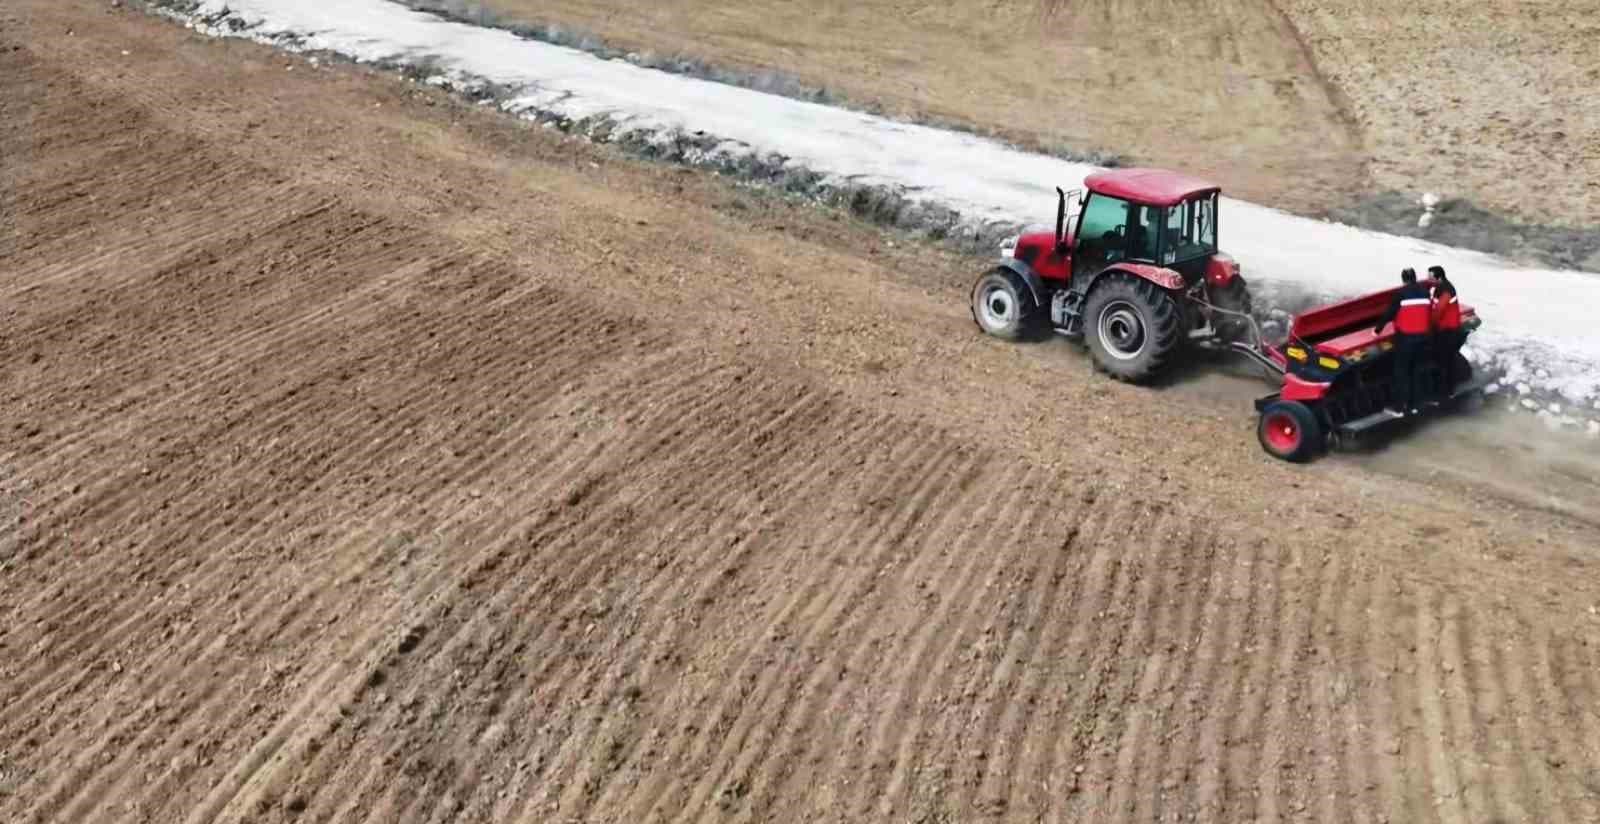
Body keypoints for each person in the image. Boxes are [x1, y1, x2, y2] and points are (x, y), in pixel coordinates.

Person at [1373, 267, 1434, 414]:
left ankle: (1399, 408)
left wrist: (1377, 330)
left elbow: (1390, 313)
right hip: (1422, 338)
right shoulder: (1425, 293)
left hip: (1406, 339)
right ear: (1415, 278)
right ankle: (1414, 405)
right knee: (1415, 371)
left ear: (1404, 280)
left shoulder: (1401, 294)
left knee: (1401, 373)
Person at [1429, 265, 1465, 386]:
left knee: (1445, 361)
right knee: (1446, 360)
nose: (1429, 279)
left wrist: (1431, 325)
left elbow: (1439, 309)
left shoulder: (1446, 290)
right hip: (1447, 328)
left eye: (1431, 277)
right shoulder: (1439, 287)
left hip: (1448, 330)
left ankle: (1447, 388)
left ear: (1439, 277)